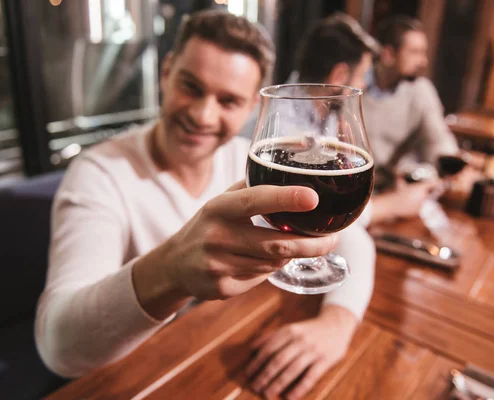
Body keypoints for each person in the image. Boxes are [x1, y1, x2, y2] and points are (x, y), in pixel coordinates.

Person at [35, 11, 375, 400]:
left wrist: (339, 322)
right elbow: (57, 346)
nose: (203, 114)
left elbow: (354, 242)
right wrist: (171, 271)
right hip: (131, 378)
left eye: (229, 100)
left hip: (227, 357)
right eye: (191, 87)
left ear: (252, 108)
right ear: (166, 72)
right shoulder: (100, 173)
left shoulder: (244, 160)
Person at [241, 13, 439, 224]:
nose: (363, 85)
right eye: (362, 75)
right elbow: (294, 208)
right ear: (339, 76)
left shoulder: (327, 111)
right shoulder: (282, 126)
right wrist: (391, 205)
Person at [363, 16, 459, 171]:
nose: (424, 62)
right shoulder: (355, 85)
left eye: (423, 53)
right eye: (415, 52)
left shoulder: (421, 91)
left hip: (395, 183)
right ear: (388, 55)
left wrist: (452, 165)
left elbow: (437, 140)